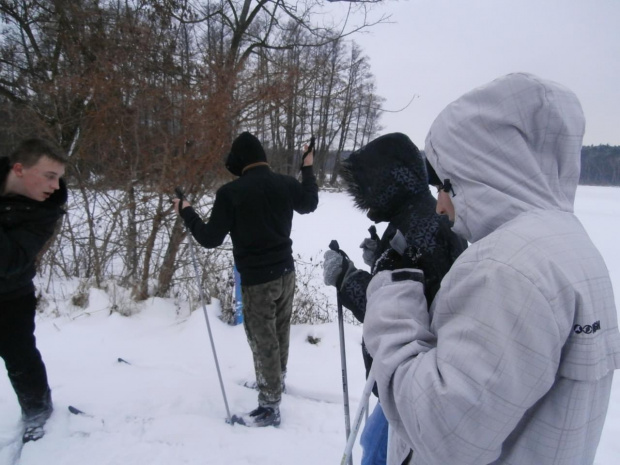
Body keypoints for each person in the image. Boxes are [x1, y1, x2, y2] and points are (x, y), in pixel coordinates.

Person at [362, 73, 620, 465]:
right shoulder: (572, 248)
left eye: (447, 183)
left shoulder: (508, 268)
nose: (441, 205)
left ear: (487, 172)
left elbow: (442, 431)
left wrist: (390, 293)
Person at [322, 132, 467, 464]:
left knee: (378, 454)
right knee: (372, 443)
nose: (366, 200)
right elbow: (417, 287)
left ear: (391, 180)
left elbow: (399, 319)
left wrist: (348, 280)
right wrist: (380, 263)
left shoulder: (418, 227)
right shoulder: (421, 216)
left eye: (369, 188)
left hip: (409, 384)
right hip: (404, 379)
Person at [173, 132, 318, 427]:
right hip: (287, 274)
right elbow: (309, 203)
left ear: (240, 161)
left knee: (263, 338)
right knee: (279, 331)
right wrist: (307, 168)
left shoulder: (232, 193)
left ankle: (269, 404)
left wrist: (187, 212)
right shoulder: (285, 184)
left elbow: (210, 238)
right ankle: (275, 383)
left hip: (257, 280)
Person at [0, 138, 68, 443]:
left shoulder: (46, 210)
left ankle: (37, 411)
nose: (55, 186)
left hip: (10, 293)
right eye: (49, 176)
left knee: (20, 356)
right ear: (19, 169)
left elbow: (10, 260)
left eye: (59, 177)